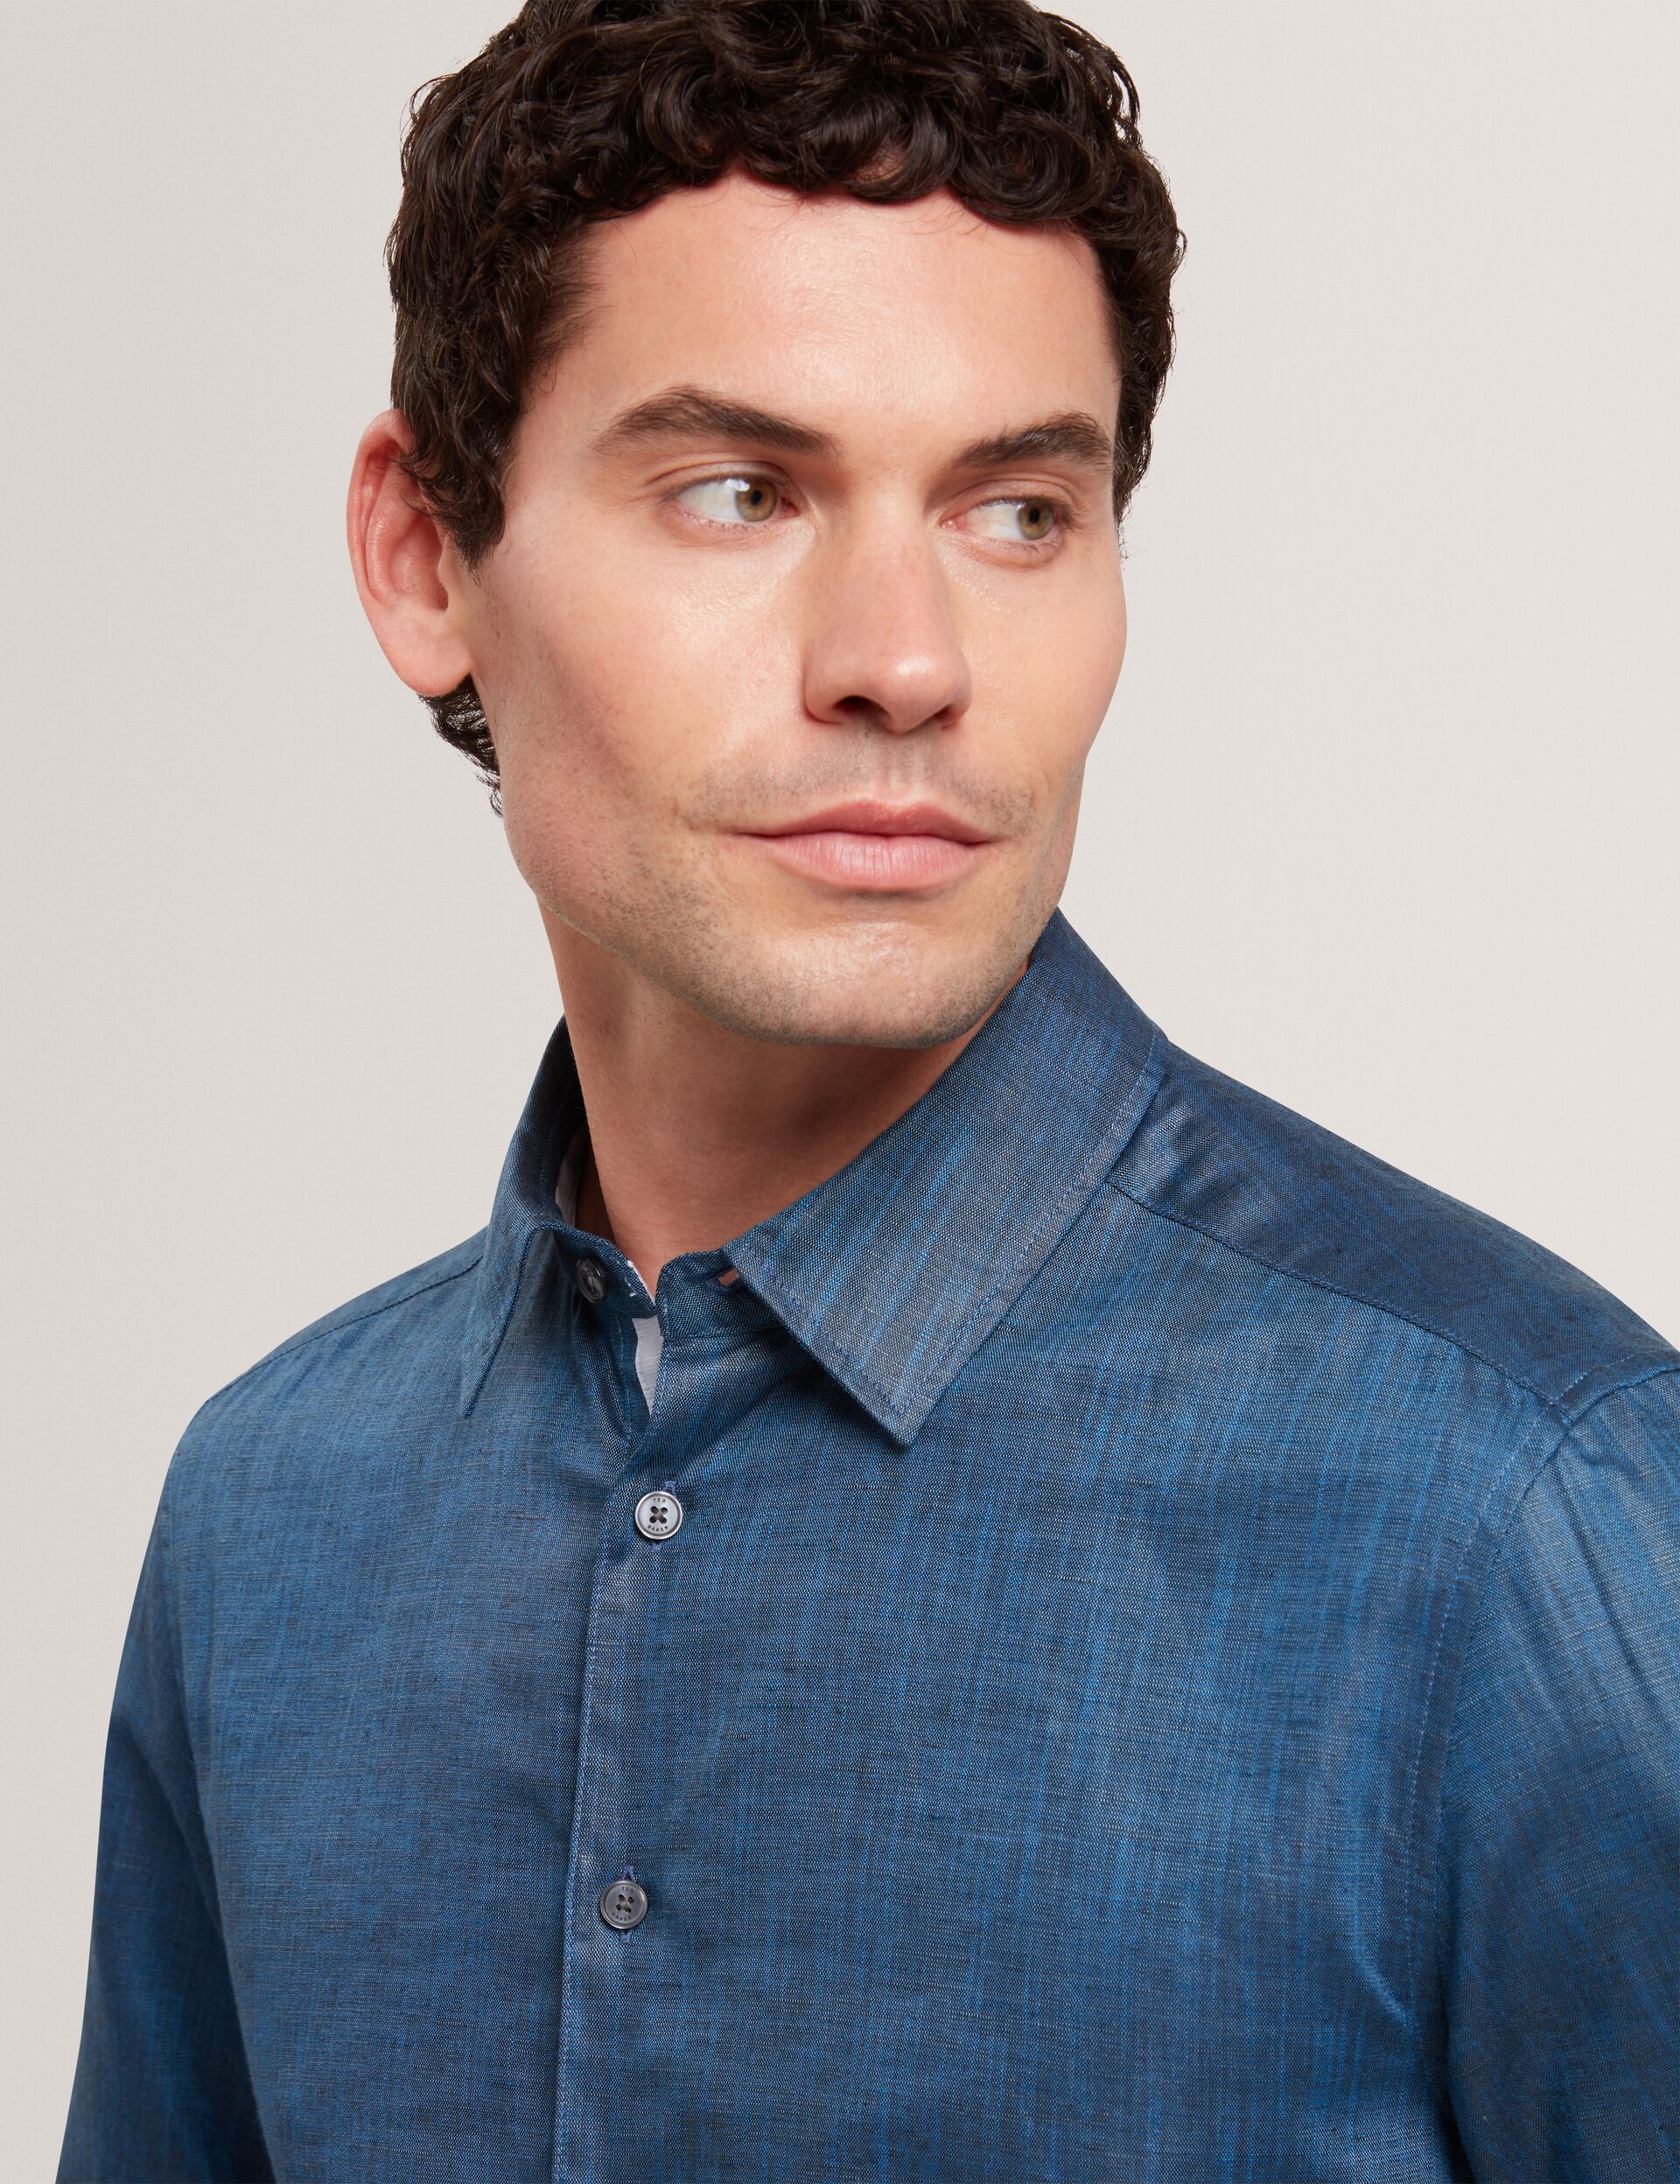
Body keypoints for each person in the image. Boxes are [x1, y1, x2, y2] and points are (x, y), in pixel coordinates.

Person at [59, 0, 1679, 2177]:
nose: (907, 661)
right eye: (741, 492)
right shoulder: (272, 1517)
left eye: (1019, 509)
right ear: (429, 556)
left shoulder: (1524, 1513)